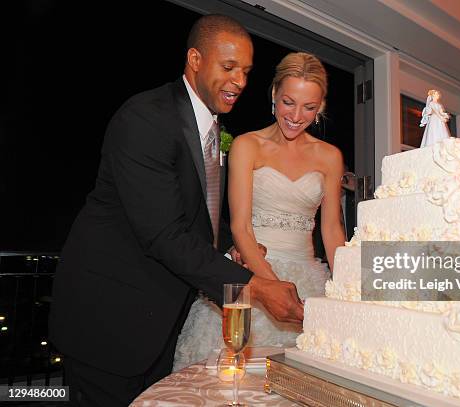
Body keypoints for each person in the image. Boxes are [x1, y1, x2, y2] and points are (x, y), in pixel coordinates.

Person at [49, 15, 304, 406]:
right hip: (108, 319)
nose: (240, 81)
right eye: (229, 67)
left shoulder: (211, 129)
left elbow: (192, 214)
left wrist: (223, 250)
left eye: (247, 71)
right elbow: (164, 234)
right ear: (195, 59)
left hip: (156, 323)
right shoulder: (147, 117)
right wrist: (256, 287)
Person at [173, 52, 346, 370]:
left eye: (309, 107)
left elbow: (332, 230)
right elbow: (241, 228)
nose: (296, 115)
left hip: (309, 278)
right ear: (273, 96)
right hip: (251, 271)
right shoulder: (246, 145)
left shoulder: (330, 157)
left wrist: (348, 287)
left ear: (320, 107)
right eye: (288, 102)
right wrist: (273, 289)